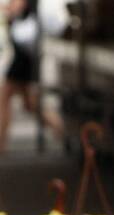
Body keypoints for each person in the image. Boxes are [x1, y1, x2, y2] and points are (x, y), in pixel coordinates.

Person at [0, 0, 62, 153]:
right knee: (29, 103)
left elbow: (14, 8)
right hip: (23, 55)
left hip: (24, 57)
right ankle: (58, 126)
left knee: (5, 96)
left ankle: (1, 142)